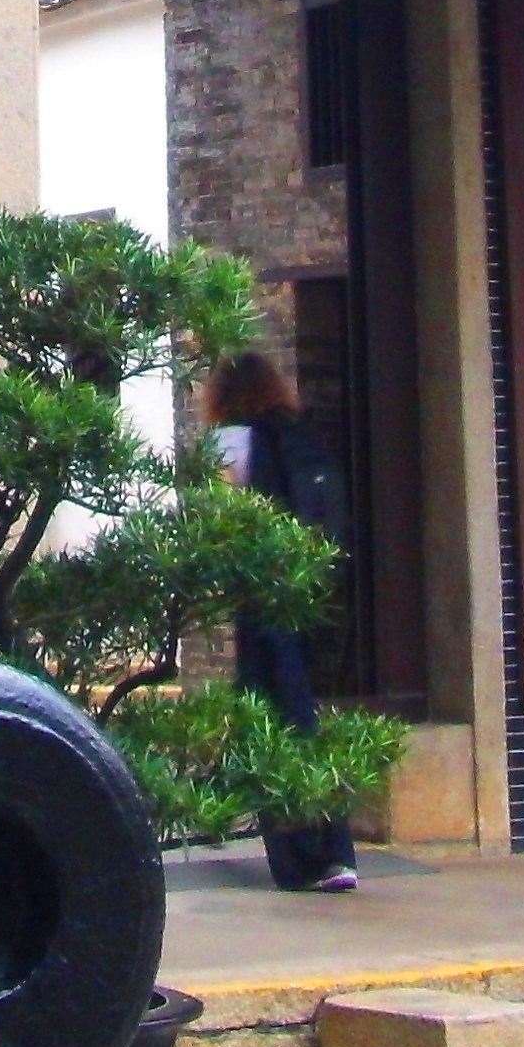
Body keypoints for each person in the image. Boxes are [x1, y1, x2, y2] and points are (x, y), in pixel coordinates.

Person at [208, 351, 358, 892]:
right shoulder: (300, 436)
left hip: (261, 600)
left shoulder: (228, 441)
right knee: (307, 721)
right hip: (310, 598)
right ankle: (338, 852)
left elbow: (220, 519)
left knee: (266, 719)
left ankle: (299, 860)